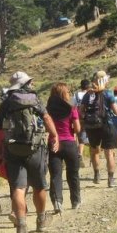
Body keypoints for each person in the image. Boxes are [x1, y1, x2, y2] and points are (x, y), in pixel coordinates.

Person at [0, 71, 59, 233]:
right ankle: (41, 220)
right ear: (26, 84)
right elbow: (47, 118)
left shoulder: (6, 103)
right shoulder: (35, 99)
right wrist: (54, 136)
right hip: (35, 148)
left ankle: (21, 225)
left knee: (19, 188)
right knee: (39, 186)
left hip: (12, 150)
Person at [79, 70, 117, 188]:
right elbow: (116, 111)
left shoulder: (87, 94)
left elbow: (81, 112)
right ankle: (111, 180)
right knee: (109, 153)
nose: (108, 80)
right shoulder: (108, 94)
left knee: (94, 151)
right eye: (107, 79)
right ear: (103, 80)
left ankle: (96, 175)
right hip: (107, 124)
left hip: (91, 126)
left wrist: (85, 122)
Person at [45, 82, 81, 213]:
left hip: (54, 144)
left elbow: (45, 126)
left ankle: (57, 201)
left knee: (55, 175)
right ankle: (75, 201)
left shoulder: (48, 109)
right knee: (73, 174)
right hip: (70, 143)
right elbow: (77, 128)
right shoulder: (72, 108)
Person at [72, 79, 91, 162]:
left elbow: (73, 107)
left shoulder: (76, 95)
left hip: (79, 119)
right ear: (88, 86)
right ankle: (92, 156)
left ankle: (80, 155)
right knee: (92, 136)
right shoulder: (91, 94)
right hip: (90, 118)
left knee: (80, 138)